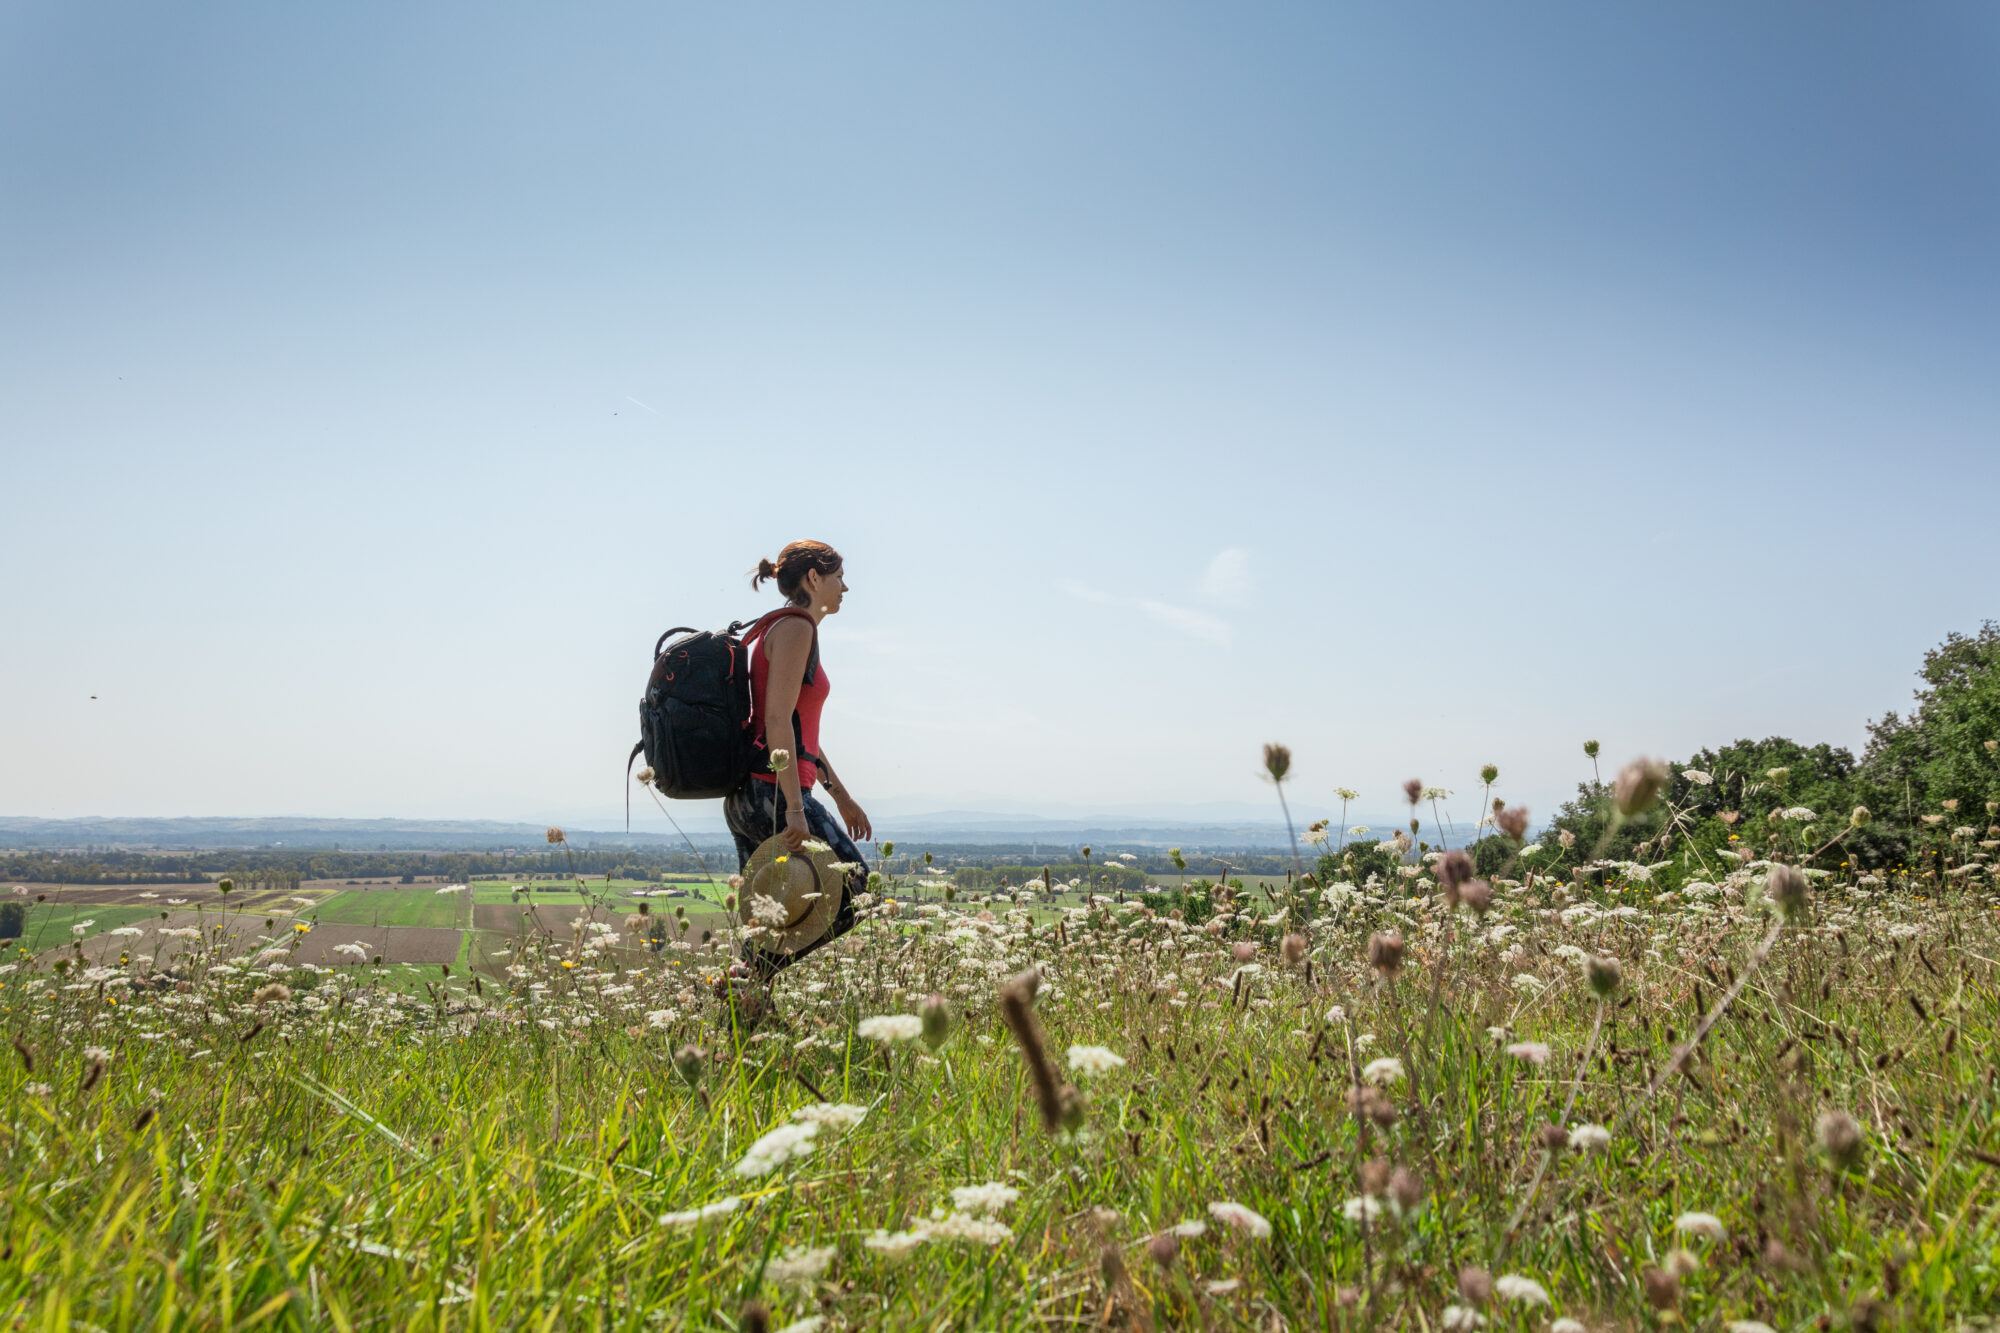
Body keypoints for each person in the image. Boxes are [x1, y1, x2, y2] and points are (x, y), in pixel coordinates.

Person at [723, 540, 872, 977]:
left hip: (752, 794)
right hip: (772, 794)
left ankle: (742, 1014)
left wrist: (840, 797)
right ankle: (752, 977)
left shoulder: (782, 627)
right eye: (839, 577)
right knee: (860, 893)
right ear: (814, 578)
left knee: (765, 921)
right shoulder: (796, 627)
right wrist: (793, 807)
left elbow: (795, 726)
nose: (845, 587)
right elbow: (775, 721)